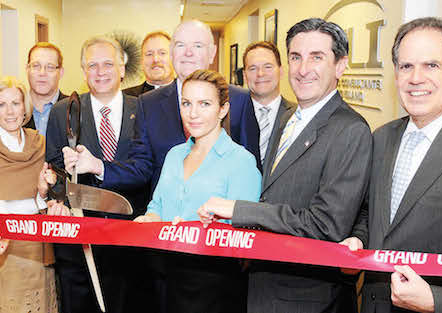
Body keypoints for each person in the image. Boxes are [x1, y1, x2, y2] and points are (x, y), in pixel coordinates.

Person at [197, 18, 373, 313]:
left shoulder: (350, 130)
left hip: (307, 297)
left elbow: (326, 225)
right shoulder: (288, 119)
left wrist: (239, 210)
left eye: (317, 57)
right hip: (265, 282)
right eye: (296, 57)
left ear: (340, 66)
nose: (303, 69)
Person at [340, 17, 442, 312]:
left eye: (431, 65)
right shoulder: (382, 137)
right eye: (406, 66)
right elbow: (371, 214)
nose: (415, 78)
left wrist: (435, 302)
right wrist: (357, 240)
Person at [63, 19, 258, 198]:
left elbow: (251, 169)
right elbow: (141, 168)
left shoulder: (240, 100)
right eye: (181, 45)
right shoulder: (148, 104)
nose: (188, 53)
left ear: (212, 52)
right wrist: (97, 166)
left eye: (197, 46)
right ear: (172, 51)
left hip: (222, 226)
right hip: (163, 223)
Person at [134, 69, 260, 313]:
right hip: (166, 276)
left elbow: (245, 231)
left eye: (204, 104)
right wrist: (149, 219)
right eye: (186, 103)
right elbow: (157, 205)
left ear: (223, 109)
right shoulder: (174, 155)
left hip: (215, 285)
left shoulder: (240, 160)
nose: (193, 114)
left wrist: (196, 229)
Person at [46, 36, 147, 313]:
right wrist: (56, 198)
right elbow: (53, 170)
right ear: (83, 70)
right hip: (80, 243)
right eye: (92, 65)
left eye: (107, 64)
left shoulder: (144, 110)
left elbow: (147, 169)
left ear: (122, 69)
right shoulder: (63, 112)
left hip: (132, 239)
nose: (100, 72)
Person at [0, 76, 58, 313]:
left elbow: (51, 196)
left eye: (16, 103)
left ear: (25, 107)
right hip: (7, 247)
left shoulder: (39, 143)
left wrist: (42, 194)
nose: (10, 111)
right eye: (2, 105)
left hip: (42, 246)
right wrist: (37, 200)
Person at [242, 41, 293, 164]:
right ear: (244, 75)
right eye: (253, 68)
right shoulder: (230, 116)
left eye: (268, 67)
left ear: (281, 71)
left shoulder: (298, 115)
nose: (260, 74)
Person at [22, 42, 68, 134]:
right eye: (36, 66)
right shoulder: (13, 109)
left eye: (50, 67)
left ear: (61, 72)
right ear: (27, 69)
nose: (42, 73)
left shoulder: (75, 109)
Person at [123, 31, 175, 97]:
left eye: (162, 53)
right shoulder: (126, 98)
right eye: (149, 54)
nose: (155, 59)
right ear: (142, 61)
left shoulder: (186, 94)